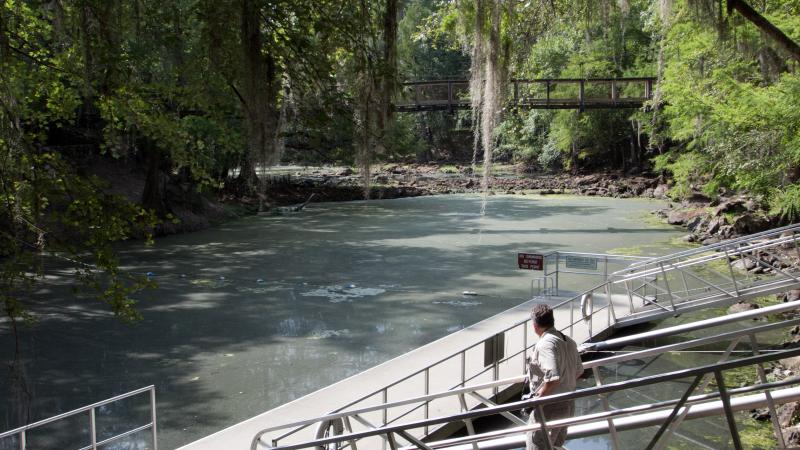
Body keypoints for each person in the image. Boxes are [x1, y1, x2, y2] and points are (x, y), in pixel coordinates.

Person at [525, 304, 584, 450]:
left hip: (548, 407)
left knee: (536, 445)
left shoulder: (545, 344)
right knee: (555, 446)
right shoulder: (568, 341)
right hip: (568, 404)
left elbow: (553, 377)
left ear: (534, 325)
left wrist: (537, 399)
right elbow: (579, 371)